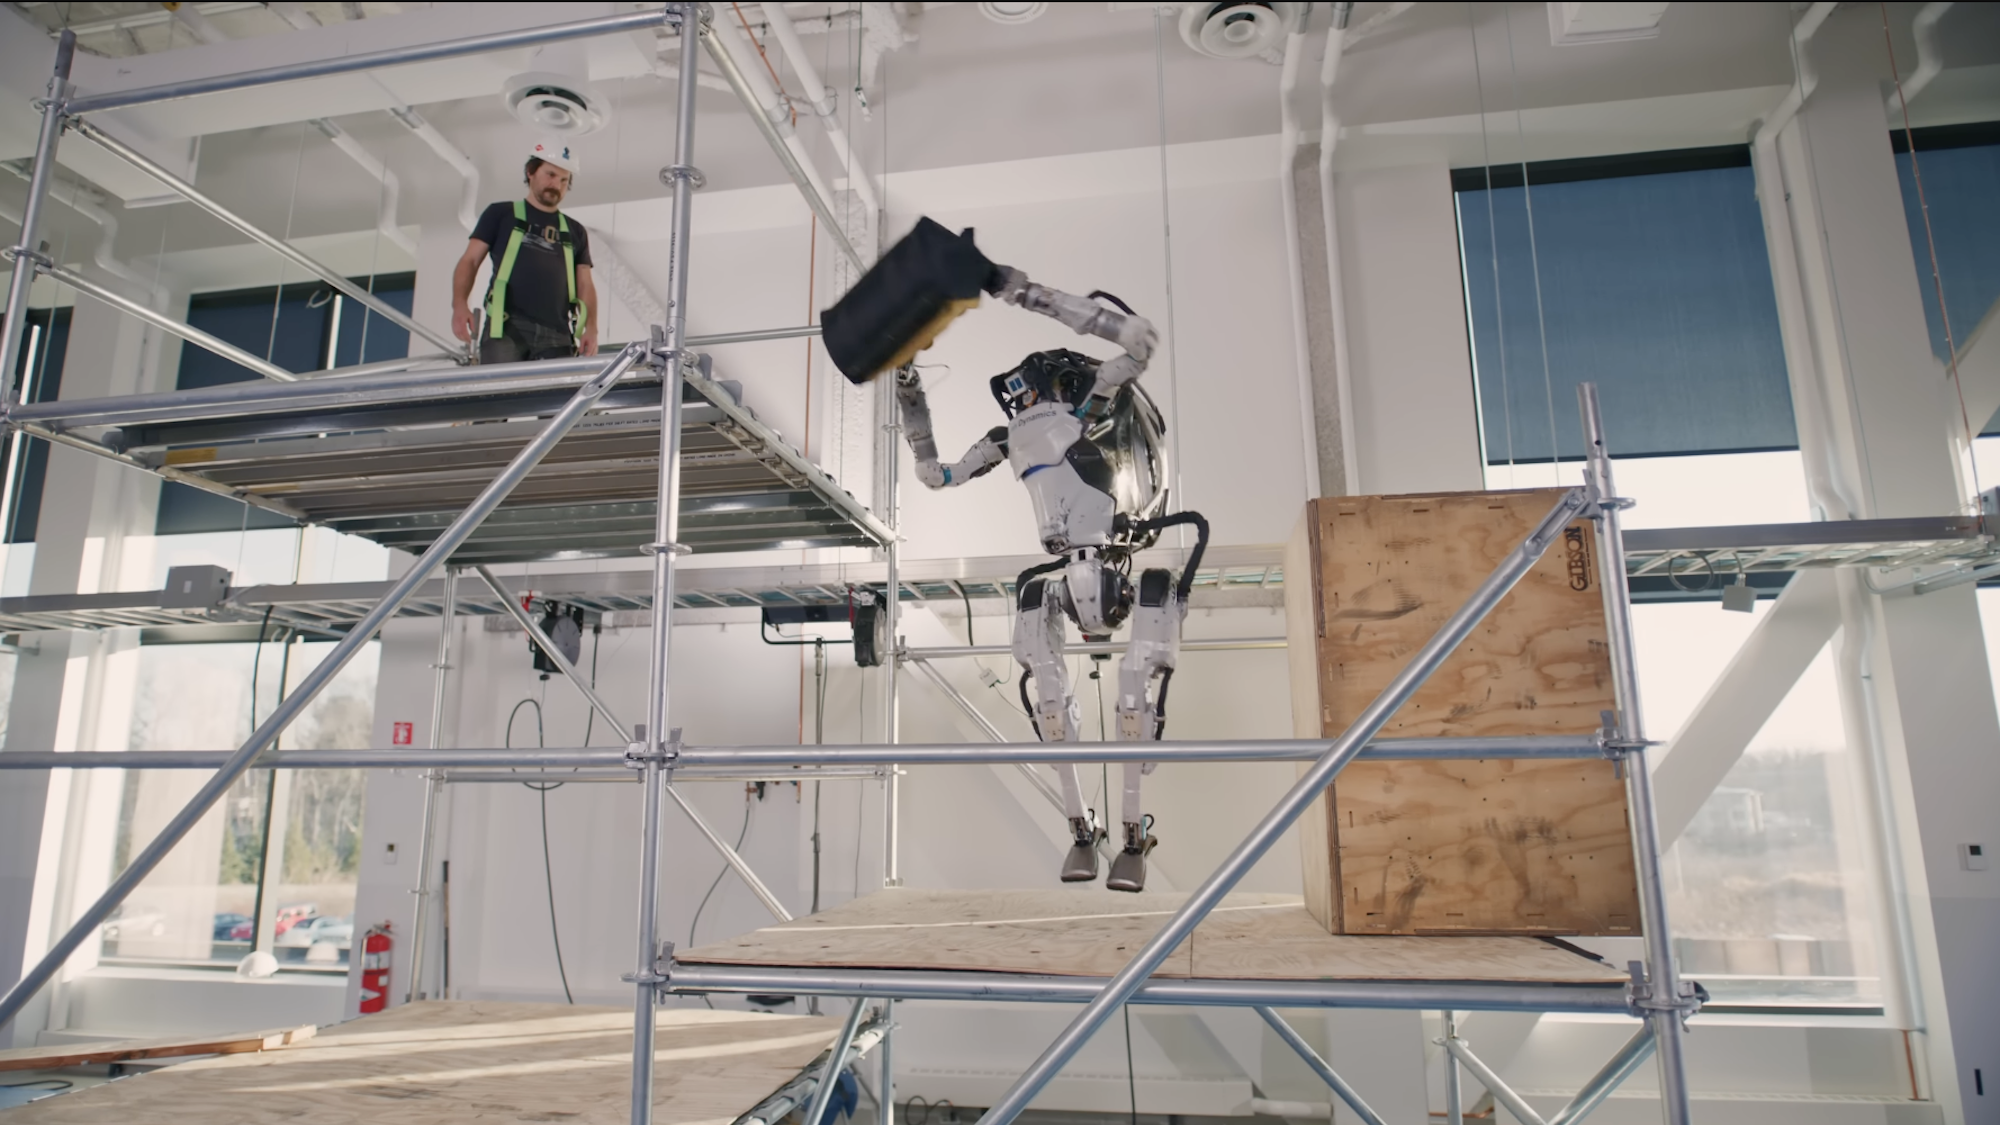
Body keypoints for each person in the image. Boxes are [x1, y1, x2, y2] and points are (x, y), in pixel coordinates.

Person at [451, 140, 599, 362]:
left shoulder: (574, 230)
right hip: (507, 327)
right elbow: (470, 261)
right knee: (500, 394)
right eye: (550, 174)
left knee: (557, 398)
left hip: (558, 335)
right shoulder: (500, 214)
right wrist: (460, 305)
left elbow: (585, 284)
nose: (556, 185)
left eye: (563, 180)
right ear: (531, 172)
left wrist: (591, 328)